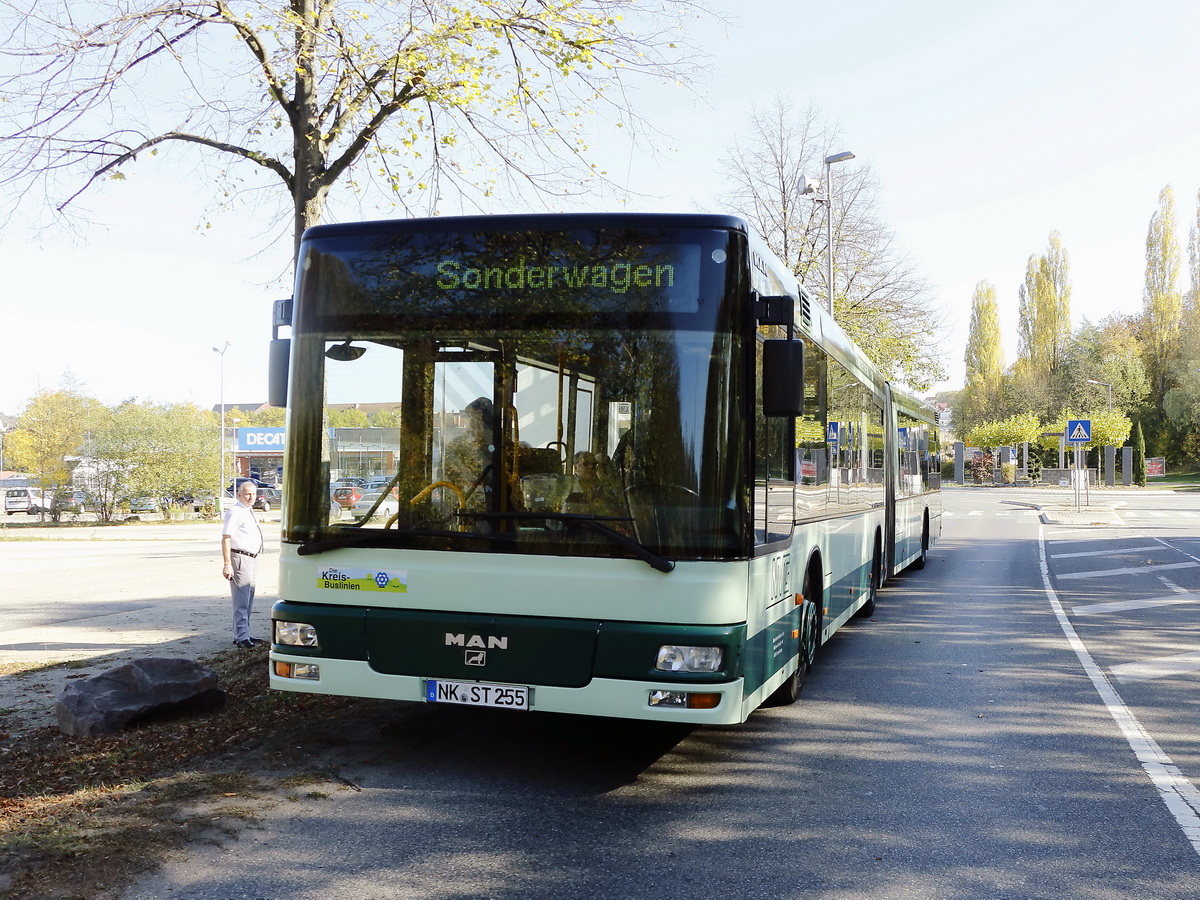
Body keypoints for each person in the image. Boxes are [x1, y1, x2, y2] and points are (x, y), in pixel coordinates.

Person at [221, 480, 265, 649]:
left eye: (253, 494)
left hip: (252, 558)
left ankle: (242, 633)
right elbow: (226, 538)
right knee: (241, 599)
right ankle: (241, 637)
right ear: (239, 494)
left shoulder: (248, 510)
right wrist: (227, 564)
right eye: (247, 493)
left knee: (249, 598)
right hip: (240, 557)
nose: (250, 497)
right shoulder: (235, 511)